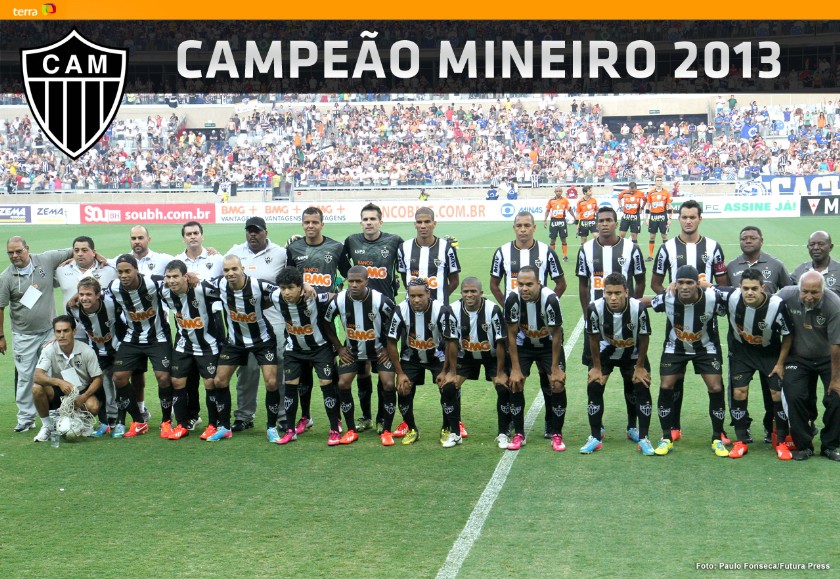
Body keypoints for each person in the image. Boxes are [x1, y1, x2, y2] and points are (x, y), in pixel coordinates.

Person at [651, 199, 729, 443]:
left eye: (692, 217)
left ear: (700, 219)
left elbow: (723, 284)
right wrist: (670, 295)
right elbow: (655, 282)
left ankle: (719, 431)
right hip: (676, 321)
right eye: (684, 217)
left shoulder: (713, 247)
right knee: (675, 376)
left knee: (714, 382)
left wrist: (707, 289)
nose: (688, 221)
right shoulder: (667, 248)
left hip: (705, 323)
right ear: (678, 219)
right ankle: (674, 427)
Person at [491, 210, 566, 439]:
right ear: (514, 227)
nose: (523, 229)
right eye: (519, 225)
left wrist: (546, 309)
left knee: (549, 379)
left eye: (527, 225)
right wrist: (512, 310)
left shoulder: (546, 251)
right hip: (518, 331)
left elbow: (561, 283)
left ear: (534, 227)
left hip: (543, 332)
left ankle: (551, 424)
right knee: (510, 380)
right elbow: (494, 284)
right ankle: (510, 425)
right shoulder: (502, 252)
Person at [576, 207, 646, 443]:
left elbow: (640, 280)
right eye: (601, 220)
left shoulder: (631, 248)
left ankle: (632, 426)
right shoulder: (586, 249)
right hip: (598, 323)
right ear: (596, 224)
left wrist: (632, 309)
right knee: (596, 377)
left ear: (616, 223)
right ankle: (598, 427)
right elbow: (583, 284)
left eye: (609, 220)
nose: (604, 224)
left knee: (630, 377)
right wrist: (587, 315)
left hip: (626, 325)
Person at [644, 265, 729, 458]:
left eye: (689, 283)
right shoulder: (668, 297)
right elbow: (645, 303)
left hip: (705, 348)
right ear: (674, 283)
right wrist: (621, 302)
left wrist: (711, 285)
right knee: (666, 386)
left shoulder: (712, 297)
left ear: (697, 284)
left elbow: (735, 296)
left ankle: (717, 437)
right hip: (675, 348)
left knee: (716, 387)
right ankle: (666, 437)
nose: (684, 287)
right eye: (680, 282)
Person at [339, 203, 404, 434]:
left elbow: (406, 264)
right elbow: (341, 263)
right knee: (362, 368)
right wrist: (354, 280)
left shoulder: (394, 241)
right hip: (358, 309)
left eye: (373, 219)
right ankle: (366, 417)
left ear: (380, 221)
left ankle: (380, 418)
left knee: (383, 365)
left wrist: (395, 281)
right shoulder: (352, 241)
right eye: (365, 219)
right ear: (361, 222)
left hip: (384, 312)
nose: (369, 222)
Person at [717, 269, 793, 459]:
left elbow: (788, 334)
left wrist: (781, 363)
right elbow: (707, 288)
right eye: (745, 288)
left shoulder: (777, 305)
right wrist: (677, 284)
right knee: (739, 392)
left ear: (763, 288)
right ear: (739, 288)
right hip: (741, 353)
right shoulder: (731, 296)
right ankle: (741, 441)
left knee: (776, 394)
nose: (749, 292)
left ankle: (781, 442)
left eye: (754, 288)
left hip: (769, 354)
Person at [725, 225, 791, 442]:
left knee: (773, 391)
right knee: (738, 390)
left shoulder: (776, 265)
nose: (748, 240)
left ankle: (773, 430)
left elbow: (789, 291)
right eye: (744, 237)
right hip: (741, 345)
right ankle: (741, 431)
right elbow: (719, 291)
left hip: (768, 343)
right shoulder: (732, 266)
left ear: (761, 240)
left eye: (752, 237)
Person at [208, 255, 284, 443]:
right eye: (226, 270)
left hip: (262, 340)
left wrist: (305, 286)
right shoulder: (219, 284)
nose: (230, 273)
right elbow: (198, 284)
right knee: (219, 380)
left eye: (234, 269)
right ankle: (224, 427)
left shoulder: (259, 285)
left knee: (271, 382)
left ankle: (272, 427)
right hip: (235, 342)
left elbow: (283, 291)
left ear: (242, 269)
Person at [0, 236, 72, 432]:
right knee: (26, 377)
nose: (15, 255)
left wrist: (92, 257)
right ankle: (26, 418)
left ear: (27, 249)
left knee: (54, 372)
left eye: (18, 251)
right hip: (24, 335)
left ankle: (57, 412)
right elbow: (0, 307)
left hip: (49, 332)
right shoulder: (6, 277)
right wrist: (1, 336)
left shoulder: (45, 259)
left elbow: (74, 249)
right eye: (10, 253)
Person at [224, 216, 288, 432]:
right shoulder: (235, 251)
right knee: (247, 368)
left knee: (278, 365)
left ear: (265, 232)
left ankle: (282, 415)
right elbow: (220, 273)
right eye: (249, 230)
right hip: (245, 320)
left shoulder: (280, 253)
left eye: (257, 230)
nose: (252, 234)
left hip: (273, 316)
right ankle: (244, 416)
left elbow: (292, 276)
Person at [285, 206, 344, 435]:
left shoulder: (336, 247)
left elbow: (349, 272)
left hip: (327, 318)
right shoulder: (294, 248)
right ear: (302, 224)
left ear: (322, 224)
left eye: (315, 222)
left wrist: (338, 291)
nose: (310, 226)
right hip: (300, 317)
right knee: (303, 370)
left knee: (329, 371)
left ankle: (336, 419)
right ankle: (305, 416)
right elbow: (288, 278)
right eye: (307, 222)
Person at [324, 266, 397, 446]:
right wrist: (339, 348)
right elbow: (325, 322)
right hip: (353, 351)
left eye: (359, 281)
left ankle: (385, 428)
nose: (354, 285)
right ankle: (353, 428)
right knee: (343, 383)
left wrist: (387, 348)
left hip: (379, 351)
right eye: (351, 281)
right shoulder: (339, 300)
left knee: (388, 383)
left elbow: (397, 321)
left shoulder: (381, 300)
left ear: (367, 281)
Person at [270, 266, 340, 446]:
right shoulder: (275, 297)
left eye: (290, 287)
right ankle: (290, 431)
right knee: (290, 385)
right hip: (294, 349)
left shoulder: (314, 296)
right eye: (283, 288)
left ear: (300, 287)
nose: (286, 292)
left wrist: (309, 285)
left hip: (320, 348)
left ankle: (334, 428)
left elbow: (337, 297)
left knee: (326, 383)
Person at [584, 273, 653, 455]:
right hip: (606, 350)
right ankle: (595, 436)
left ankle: (640, 434)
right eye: (609, 293)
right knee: (594, 385)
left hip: (633, 352)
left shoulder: (638, 308)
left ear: (626, 292)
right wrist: (596, 368)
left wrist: (640, 367)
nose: (613, 298)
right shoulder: (594, 308)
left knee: (641, 385)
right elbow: (593, 339)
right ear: (604, 293)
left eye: (618, 293)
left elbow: (644, 338)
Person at [387, 278, 459, 446]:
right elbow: (391, 342)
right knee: (403, 389)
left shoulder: (441, 310)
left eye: (420, 295)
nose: (416, 300)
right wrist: (400, 373)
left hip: (438, 357)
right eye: (412, 296)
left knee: (448, 387)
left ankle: (446, 428)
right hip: (411, 357)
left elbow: (451, 341)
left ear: (428, 294)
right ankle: (412, 428)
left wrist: (446, 370)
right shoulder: (400, 310)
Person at [776, 271, 840, 461]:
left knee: (837, 397)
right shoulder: (786, 295)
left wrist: (836, 379)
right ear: (799, 289)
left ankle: (830, 445)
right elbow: (767, 305)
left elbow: (836, 345)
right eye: (805, 291)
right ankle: (804, 445)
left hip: (828, 358)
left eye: (815, 292)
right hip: (798, 358)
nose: (809, 297)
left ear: (823, 290)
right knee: (795, 395)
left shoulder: (834, 305)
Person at [54, 236, 118, 428]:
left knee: (111, 376)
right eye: (76, 250)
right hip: (75, 333)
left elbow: (125, 277)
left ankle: (117, 415)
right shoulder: (62, 270)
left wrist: (104, 258)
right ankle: (80, 414)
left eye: (84, 250)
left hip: (105, 335)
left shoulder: (108, 269)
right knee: (78, 375)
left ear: (94, 252)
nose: (80, 254)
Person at [107, 255, 172, 439]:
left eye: (128, 271)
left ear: (136, 270)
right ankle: (139, 421)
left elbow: (175, 281)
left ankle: (166, 422)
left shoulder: (153, 283)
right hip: (132, 338)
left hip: (157, 337)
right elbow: (98, 295)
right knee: (119, 377)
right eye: (120, 272)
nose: (123, 275)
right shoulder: (114, 287)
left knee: (163, 377)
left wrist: (190, 277)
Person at [504, 266, 566, 452]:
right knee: (515, 382)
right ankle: (519, 434)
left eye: (529, 284)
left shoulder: (551, 299)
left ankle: (556, 433)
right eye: (521, 284)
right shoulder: (512, 299)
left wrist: (555, 369)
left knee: (557, 384)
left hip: (548, 345)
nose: (524, 288)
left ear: (539, 283)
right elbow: (511, 334)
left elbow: (557, 334)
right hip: (524, 345)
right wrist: (515, 369)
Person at [160, 260, 223, 441]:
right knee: (176, 381)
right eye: (168, 277)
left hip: (207, 344)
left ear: (185, 277)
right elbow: (145, 279)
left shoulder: (202, 289)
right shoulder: (163, 291)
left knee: (210, 383)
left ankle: (213, 424)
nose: (172, 281)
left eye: (176, 276)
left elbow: (226, 288)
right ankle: (182, 424)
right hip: (183, 344)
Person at [175, 220, 223, 431]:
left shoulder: (216, 259)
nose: (192, 236)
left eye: (196, 233)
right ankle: (192, 415)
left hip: (212, 323)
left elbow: (227, 281)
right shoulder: (176, 261)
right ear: (183, 238)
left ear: (202, 236)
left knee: (212, 376)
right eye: (188, 234)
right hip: (186, 323)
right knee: (189, 374)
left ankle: (218, 417)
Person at [450, 277, 509, 448]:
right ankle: (454, 432)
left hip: (491, 356)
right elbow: (451, 342)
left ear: (481, 293)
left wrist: (500, 373)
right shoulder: (453, 309)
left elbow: (501, 342)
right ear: (461, 293)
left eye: (473, 291)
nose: (469, 295)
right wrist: (451, 373)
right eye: (466, 291)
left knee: (503, 387)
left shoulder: (493, 310)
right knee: (449, 387)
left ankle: (503, 433)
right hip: (466, 356)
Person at [31, 315, 103, 442]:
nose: (62, 335)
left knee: (93, 406)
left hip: (81, 390)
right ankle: (47, 426)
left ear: (74, 332)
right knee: (36, 388)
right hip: (59, 390)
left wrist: (84, 397)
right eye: (58, 331)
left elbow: (98, 378)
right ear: (54, 333)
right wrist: (59, 382)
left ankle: (82, 422)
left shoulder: (87, 350)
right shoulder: (49, 350)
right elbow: (37, 375)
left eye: (66, 331)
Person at [66, 276, 122, 436]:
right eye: (81, 294)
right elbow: (69, 326)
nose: (84, 298)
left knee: (121, 382)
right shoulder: (73, 308)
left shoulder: (111, 303)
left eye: (88, 294)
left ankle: (123, 421)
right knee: (99, 384)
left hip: (118, 348)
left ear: (98, 295)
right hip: (96, 351)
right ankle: (106, 422)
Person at [397, 207, 460, 304]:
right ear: (415, 224)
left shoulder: (447, 248)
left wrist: (441, 297)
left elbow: (454, 281)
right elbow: (404, 277)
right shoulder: (404, 248)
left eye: (427, 222)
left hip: (439, 307)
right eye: (419, 222)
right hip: (413, 306)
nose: (423, 226)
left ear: (434, 224)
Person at [790, 231, 840, 297]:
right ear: (808, 247)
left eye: (821, 244)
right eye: (812, 244)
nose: (816, 247)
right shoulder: (800, 270)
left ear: (830, 247)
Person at [543, 186, 576, 261]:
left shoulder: (565, 200)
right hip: (554, 221)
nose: (558, 192)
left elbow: (569, 209)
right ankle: (553, 255)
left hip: (562, 221)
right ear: (555, 192)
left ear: (562, 192)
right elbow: (547, 210)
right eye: (557, 191)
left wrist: (574, 217)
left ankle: (565, 256)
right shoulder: (551, 200)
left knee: (563, 239)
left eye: (560, 191)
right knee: (552, 239)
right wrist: (545, 220)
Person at [644, 176, 673, 262]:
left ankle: (667, 255)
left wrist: (669, 218)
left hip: (663, 216)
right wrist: (646, 218)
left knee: (664, 236)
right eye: (657, 180)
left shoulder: (666, 192)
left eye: (660, 180)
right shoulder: (651, 193)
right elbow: (648, 205)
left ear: (662, 181)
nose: (659, 182)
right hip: (653, 216)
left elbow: (669, 206)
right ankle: (650, 255)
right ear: (655, 182)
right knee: (652, 236)